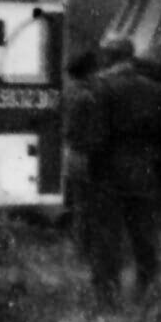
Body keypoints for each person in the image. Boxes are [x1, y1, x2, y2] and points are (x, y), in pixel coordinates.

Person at [69, 37, 161, 306]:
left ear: (107, 57)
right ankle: (148, 287)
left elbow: (85, 138)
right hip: (143, 169)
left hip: (106, 171)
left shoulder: (99, 88)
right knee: (143, 230)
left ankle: (107, 295)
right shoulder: (155, 89)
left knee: (107, 234)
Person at [59, 47, 102, 254]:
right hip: (86, 154)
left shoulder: (68, 91)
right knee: (89, 205)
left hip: (71, 152)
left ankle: (79, 244)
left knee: (79, 202)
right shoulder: (88, 96)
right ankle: (84, 247)